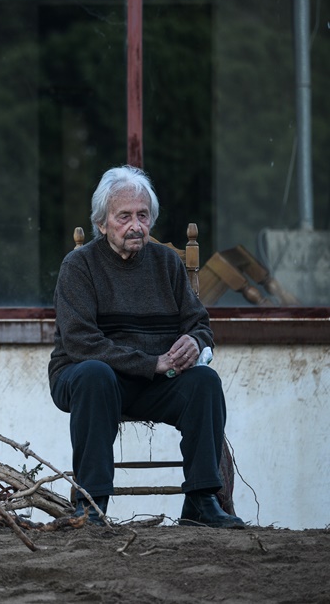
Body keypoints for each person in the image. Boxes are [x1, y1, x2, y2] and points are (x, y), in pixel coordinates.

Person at [48, 165, 245, 528]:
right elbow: (80, 342)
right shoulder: (79, 266)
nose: (135, 225)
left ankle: (202, 501)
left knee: (205, 382)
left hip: (153, 381)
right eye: (124, 216)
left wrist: (194, 341)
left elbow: (199, 323)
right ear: (102, 223)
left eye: (142, 215)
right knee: (95, 374)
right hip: (88, 379)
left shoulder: (167, 262)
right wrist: (150, 363)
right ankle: (91, 506)